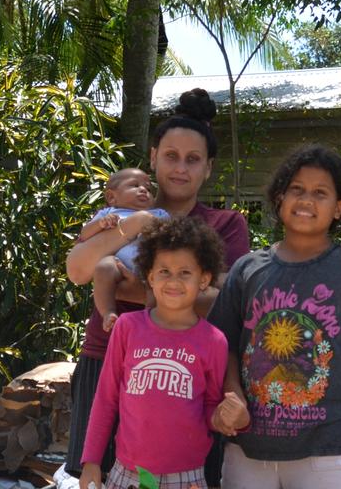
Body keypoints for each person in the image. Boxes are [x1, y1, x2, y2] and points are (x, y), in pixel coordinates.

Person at [64, 88, 250, 478]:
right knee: (97, 473)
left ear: (209, 167)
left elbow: (222, 302)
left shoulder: (224, 225)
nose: (180, 168)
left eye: (193, 159)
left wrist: (130, 288)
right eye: (170, 156)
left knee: (179, 476)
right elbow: (79, 270)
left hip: (189, 371)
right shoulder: (120, 215)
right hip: (106, 359)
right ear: (152, 157)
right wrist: (138, 224)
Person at [208, 145, 341, 489]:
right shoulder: (248, 269)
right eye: (297, 189)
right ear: (280, 198)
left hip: (328, 452)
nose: (306, 200)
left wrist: (332, 384)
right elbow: (224, 346)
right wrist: (234, 395)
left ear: (338, 208)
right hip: (250, 447)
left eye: (320, 192)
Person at [79, 217, 230, 489]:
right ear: (149, 276)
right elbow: (105, 399)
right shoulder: (127, 327)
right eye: (164, 271)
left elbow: (210, 409)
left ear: (204, 279)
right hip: (127, 475)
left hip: (187, 477)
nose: (173, 281)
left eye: (185, 272)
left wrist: (226, 418)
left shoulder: (214, 341)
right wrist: (91, 460)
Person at [78, 168, 170, 332]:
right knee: (104, 267)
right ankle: (108, 313)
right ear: (111, 197)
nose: (143, 190)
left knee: (158, 280)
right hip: (117, 265)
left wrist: (155, 228)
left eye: (148, 189)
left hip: (148, 265)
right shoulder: (108, 213)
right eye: (134, 185)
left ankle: (151, 323)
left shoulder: (158, 213)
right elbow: (84, 235)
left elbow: (170, 237)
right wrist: (101, 224)